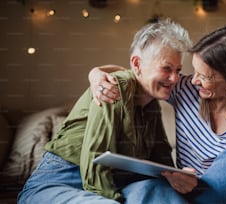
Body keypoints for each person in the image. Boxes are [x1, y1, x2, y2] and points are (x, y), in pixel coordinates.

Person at [17, 18, 195, 204]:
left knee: (163, 194)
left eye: (178, 70)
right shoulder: (114, 87)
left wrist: (176, 178)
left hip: (116, 182)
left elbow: (162, 161)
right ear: (137, 64)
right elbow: (96, 161)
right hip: (61, 180)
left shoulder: (152, 105)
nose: (174, 78)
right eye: (166, 68)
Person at [88, 24, 226, 203]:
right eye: (194, 71)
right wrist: (96, 73)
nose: (194, 80)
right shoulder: (186, 90)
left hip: (213, 195)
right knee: (146, 188)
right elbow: (140, 74)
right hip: (176, 190)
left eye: (205, 76)